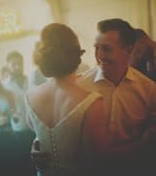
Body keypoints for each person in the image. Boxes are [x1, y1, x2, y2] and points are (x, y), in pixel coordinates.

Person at [72, 18, 156, 175]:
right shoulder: (80, 85)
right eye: (97, 48)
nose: (100, 56)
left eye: (107, 49)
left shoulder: (149, 90)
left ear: (129, 50)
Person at [25, 23, 106, 176]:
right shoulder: (91, 102)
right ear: (77, 57)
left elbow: (33, 129)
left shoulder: (30, 96)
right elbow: (97, 161)